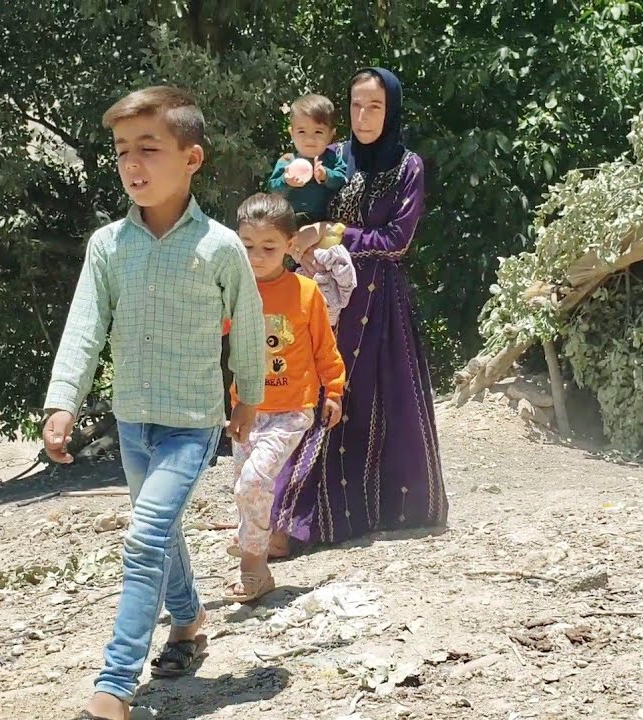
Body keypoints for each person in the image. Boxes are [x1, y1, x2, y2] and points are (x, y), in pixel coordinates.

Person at [41, 86, 265, 720]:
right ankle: (189, 620)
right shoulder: (108, 245)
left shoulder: (221, 247)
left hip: (191, 425)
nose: (132, 164)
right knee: (160, 534)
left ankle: (113, 686)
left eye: (149, 148)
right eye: (121, 151)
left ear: (191, 158)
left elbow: (248, 325)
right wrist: (64, 400)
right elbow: (85, 325)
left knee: (143, 537)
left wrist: (249, 394)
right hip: (131, 420)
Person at [269, 67, 448, 552]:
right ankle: (288, 517)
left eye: (375, 106)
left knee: (370, 402)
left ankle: (364, 514)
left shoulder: (408, 166)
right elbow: (297, 204)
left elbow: (397, 240)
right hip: (325, 297)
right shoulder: (333, 156)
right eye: (356, 105)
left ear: (391, 110)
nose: (364, 116)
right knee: (316, 395)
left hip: (380, 303)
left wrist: (334, 232)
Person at [223, 192, 346, 604]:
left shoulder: (307, 293)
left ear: (291, 245)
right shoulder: (234, 293)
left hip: (292, 410)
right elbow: (204, 336)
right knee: (246, 486)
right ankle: (258, 558)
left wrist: (334, 391)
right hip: (246, 412)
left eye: (269, 248)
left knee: (253, 483)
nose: (257, 257)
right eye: (247, 247)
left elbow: (325, 349)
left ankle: (252, 565)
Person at [267, 93, 348, 224]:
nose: (310, 139)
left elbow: (343, 181)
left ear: (331, 135)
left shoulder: (332, 158)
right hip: (290, 222)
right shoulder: (287, 161)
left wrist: (326, 175)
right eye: (301, 131)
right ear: (292, 133)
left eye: (318, 132)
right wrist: (286, 181)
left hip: (324, 222)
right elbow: (273, 188)